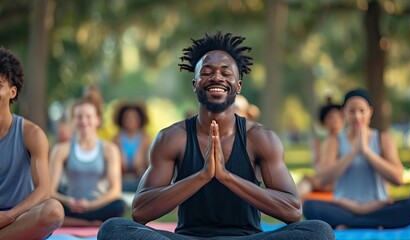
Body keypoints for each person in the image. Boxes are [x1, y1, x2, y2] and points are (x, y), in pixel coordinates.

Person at [98, 31, 334, 240]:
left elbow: (292, 211)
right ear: (195, 83)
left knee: (319, 232)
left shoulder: (260, 138)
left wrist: (226, 176)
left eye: (225, 72)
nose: (217, 78)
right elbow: (140, 212)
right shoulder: (172, 138)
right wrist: (202, 176)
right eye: (207, 72)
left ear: (238, 85)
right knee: (114, 229)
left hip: (246, 238)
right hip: (189, 238)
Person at [303, 88, 410, 229]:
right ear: (344, 113)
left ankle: (351, 223)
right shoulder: (334, 141)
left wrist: (367, 152)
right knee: (309, 207)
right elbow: (323, 179)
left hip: (379, 206)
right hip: (344, 207)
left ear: (370, 112)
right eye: (351, 111)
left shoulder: (383, 139)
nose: (357, 116)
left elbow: (398, 179)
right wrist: (353, 153)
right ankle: (375, 223)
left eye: (362, 111)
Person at [0, 47, 64, 239]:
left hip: (20, 217)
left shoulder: (32, 134)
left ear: (12, 92)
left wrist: (9, 216)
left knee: (54, 210)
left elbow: (44, 190)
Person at [49, 95, 126, 227]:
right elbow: (50, 190)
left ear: (98, 119)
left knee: (119, 205)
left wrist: (90, 205)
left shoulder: (110, 149)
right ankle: (87, 223)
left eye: (88, 117)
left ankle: (74, 222)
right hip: (71, 206)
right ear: (73, 120)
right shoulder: (61, 149)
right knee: (49, 205)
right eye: (79, 117)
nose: (84, 121)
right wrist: (68, 201)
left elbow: (115, 190)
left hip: (99, 206)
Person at [297, 99, 344, 197]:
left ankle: (292, 205)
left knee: (306, 181)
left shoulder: (344, 141)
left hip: (339, 181)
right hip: (323, 179)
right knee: (304, 181)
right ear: (323, 122)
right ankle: (292, 206)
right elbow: (317, 166)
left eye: (339, 117)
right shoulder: (319, 142)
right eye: (330, 118)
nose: (335, 121)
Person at [113, 101, 151, 192]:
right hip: (121, 180)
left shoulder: (145, 139)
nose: (130, 120)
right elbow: (122, 165)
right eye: (127, 117)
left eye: (134, 117)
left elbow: (139, 164)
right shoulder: (116, 139)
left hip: (139, 180)